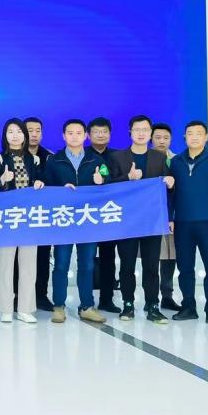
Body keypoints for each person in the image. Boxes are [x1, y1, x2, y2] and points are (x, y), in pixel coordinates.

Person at [42, 119, 108, 324]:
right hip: (64, 220)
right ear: (63, 136)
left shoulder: (96, 160)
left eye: (79, 133)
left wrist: (102, 181)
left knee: (87, 264)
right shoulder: (54, 160)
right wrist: (61, 190)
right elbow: (46, 187)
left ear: (85, 136)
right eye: (70, 133)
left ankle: (87, 306)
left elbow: (108, 182)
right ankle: (58, 306)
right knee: (61, 264)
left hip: (88, 220)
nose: (74, 136)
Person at [110, 115, 174, 325]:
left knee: (151, 265)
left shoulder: (159, 157)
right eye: (137, 129)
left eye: (145, 130)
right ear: (130, 132)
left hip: (152, 220)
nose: (141, 133)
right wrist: (128, 178)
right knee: (127, 265)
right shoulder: (118, 157)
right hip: (127, 221)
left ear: (150, 133)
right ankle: (128, 304)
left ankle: (152, 305)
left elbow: (167, 189)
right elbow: (109, 187)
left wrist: (170, 182)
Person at [168, 120, 208, 323]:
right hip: (182, 222)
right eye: (190, 133)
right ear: (184, 137)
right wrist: (170, 217)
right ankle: (188, 307)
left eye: (198, 133)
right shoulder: (176, 161)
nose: (194, 137)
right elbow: (170, 193)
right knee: (185, 268)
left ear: (206, 137)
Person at [0, 119, 46, 324]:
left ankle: (25, 308)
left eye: (18, 132)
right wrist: (2, 180)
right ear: (5, 136)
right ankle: (5, 308)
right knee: (6, 264)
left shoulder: (35, 160)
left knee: (29, 265)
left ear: (24, 135)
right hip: (7, 218)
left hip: (29, 218)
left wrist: (40, 182)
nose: (15, 136)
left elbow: (42, 181)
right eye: (10, 132)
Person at [88, 117, 122, 312]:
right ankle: (86, 300)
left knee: (109, 258)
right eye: (96, 132)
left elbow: (123, 183)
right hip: (88, 216)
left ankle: (107, 299)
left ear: (110, 134)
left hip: (110, 215)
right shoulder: (83, 155)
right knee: (87, 259)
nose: (100, 135)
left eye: (104, 132)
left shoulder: (118, 156)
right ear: (89, 135)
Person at [23, 116, 54, 312]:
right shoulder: (13, 155)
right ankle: (19, 296)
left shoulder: (50, 157)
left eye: (38, 130)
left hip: (43, 216)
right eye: (30, 130)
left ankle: (41, 295)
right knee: (19, 258)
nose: (34, 134)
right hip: (20, 215)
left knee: (43, 257)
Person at [151, 122, 181, 312]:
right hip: (150, 217)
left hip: (173, 216)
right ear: (151, 139)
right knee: (152, 258)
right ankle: (151, 298)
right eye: (158, 137)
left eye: (166, 138)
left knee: (170, 256)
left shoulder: (177, 160)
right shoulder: (144, 159)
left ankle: (167, 296)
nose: (162, 141)